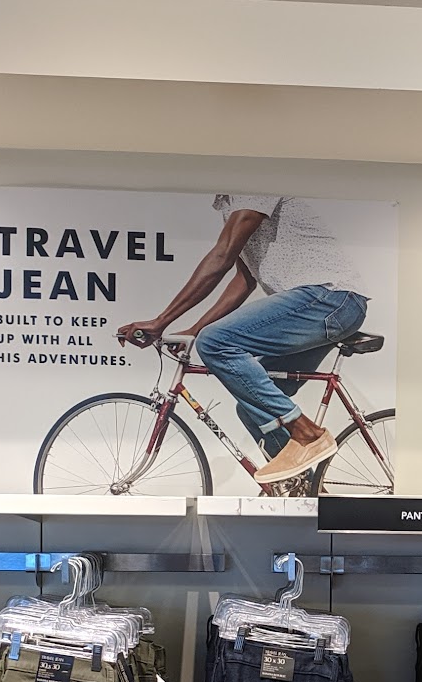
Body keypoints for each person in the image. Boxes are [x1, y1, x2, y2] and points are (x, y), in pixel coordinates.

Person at [116, 193, 372, 486]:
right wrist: (195, 329)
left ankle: (307, 434)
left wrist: (161, 321)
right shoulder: (230, 203)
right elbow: (244, 279)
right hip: (321, 304)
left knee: (214, 342)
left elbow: (222, 256)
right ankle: (305, 490)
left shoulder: (252, 187)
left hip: (329, 297)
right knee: (254, 407)